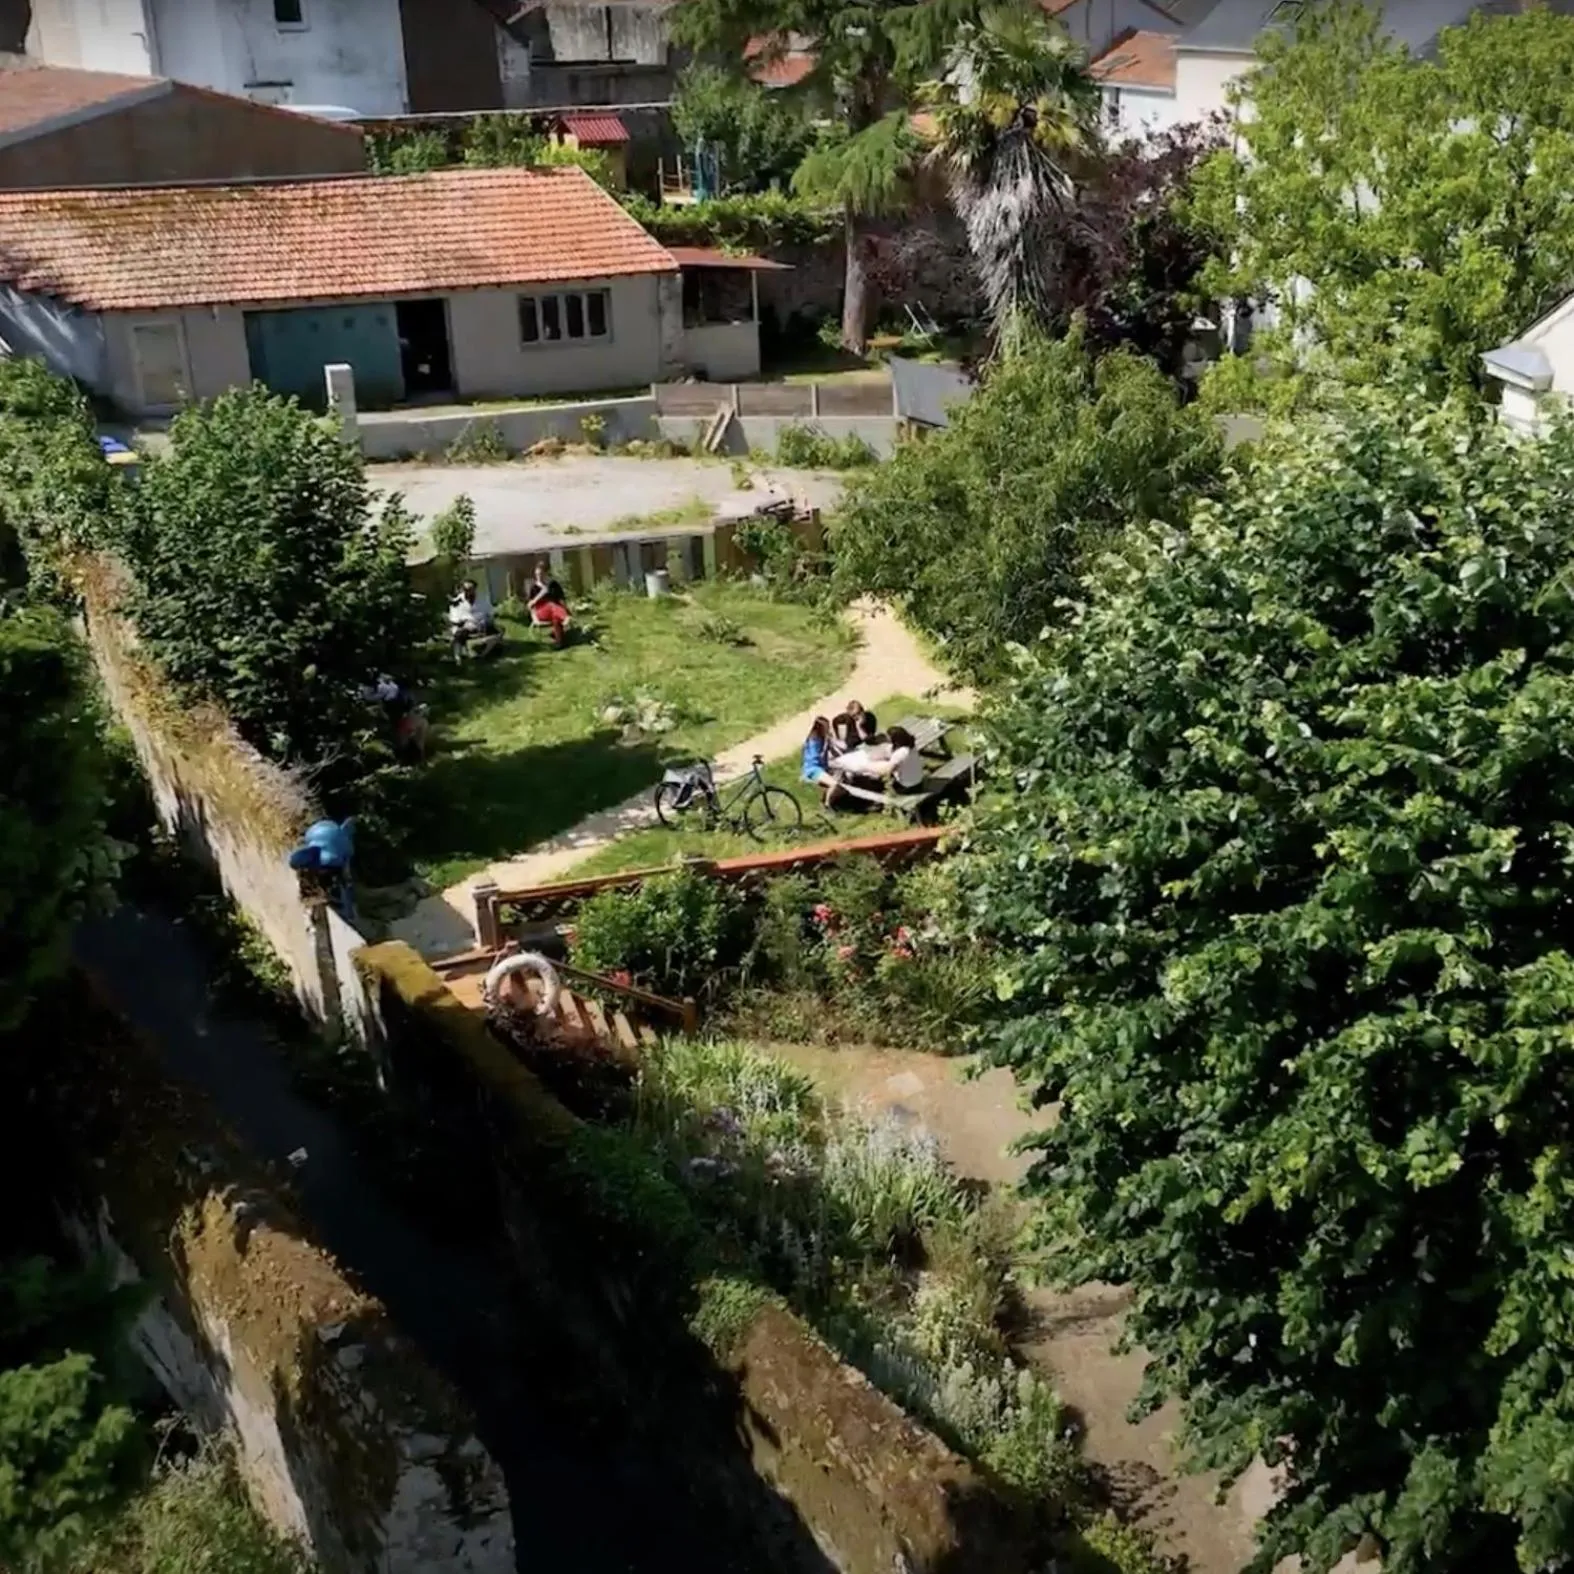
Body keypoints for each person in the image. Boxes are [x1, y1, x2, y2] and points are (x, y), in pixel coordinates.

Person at [826, 725, 922, 809]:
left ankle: (869, 802)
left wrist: (866, 766)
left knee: (870, 778)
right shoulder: (910, 745)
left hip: (908, 785)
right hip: (917, 779)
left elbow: (886, 771)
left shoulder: (900, 753)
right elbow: (890, 753)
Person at [449, 579, 499, 660]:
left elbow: (490, 612)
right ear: (462, 589)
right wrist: (463, 624)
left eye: (470, 589)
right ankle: (458, 658)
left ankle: (484, 654)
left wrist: (488, 619)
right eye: (466, 589)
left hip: (482, 623)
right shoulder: (457, 601)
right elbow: (454, 618)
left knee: (496, 632)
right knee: (458, 635)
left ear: (475, 589)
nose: (468, 591)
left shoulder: (483, 598)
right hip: (466, 625)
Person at [527, 560, 572, 648]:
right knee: (551, 604)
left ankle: (559, 642)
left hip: (555, 611)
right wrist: (534, 617)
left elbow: (561, 599)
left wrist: (566, 608)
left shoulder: (553, 585)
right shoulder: (533, 588)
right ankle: (565, 617)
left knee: (555, 617)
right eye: (537, 575)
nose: (539, 577)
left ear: (546, 574)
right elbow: (530, 605)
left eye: (541, 574)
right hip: (540, 612)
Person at [801, 716, 833, 794]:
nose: (829, 729)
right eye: (827, 728)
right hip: (813, 770)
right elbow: (817, 758)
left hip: (822, 767)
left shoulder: (821, 738)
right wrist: (826, 744)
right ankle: (827, 802)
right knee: (834, 784)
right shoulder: (814, 741)